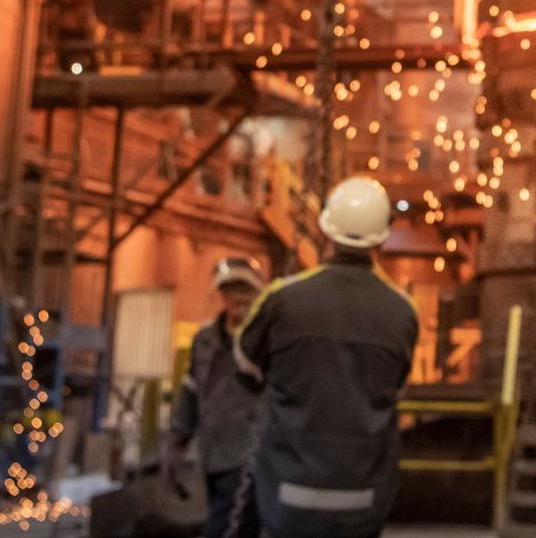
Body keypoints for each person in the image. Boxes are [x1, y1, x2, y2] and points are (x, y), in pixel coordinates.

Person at [234, 176, 417, 538]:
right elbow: (397, 388)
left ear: (326, 231)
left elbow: (245, 364)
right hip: (364, 499)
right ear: (382, 238)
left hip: (287, 494)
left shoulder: (282, 299)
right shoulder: (402, 312)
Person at [166, 257, 268, 538]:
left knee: (225, 529)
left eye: (244, 289)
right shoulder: (206, 339)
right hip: (213, 456)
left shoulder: (268, 339)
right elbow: (192, 391)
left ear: (259, 291)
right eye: (230, 289)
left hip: (251, 458)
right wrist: (176, 442)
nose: (238, 297)